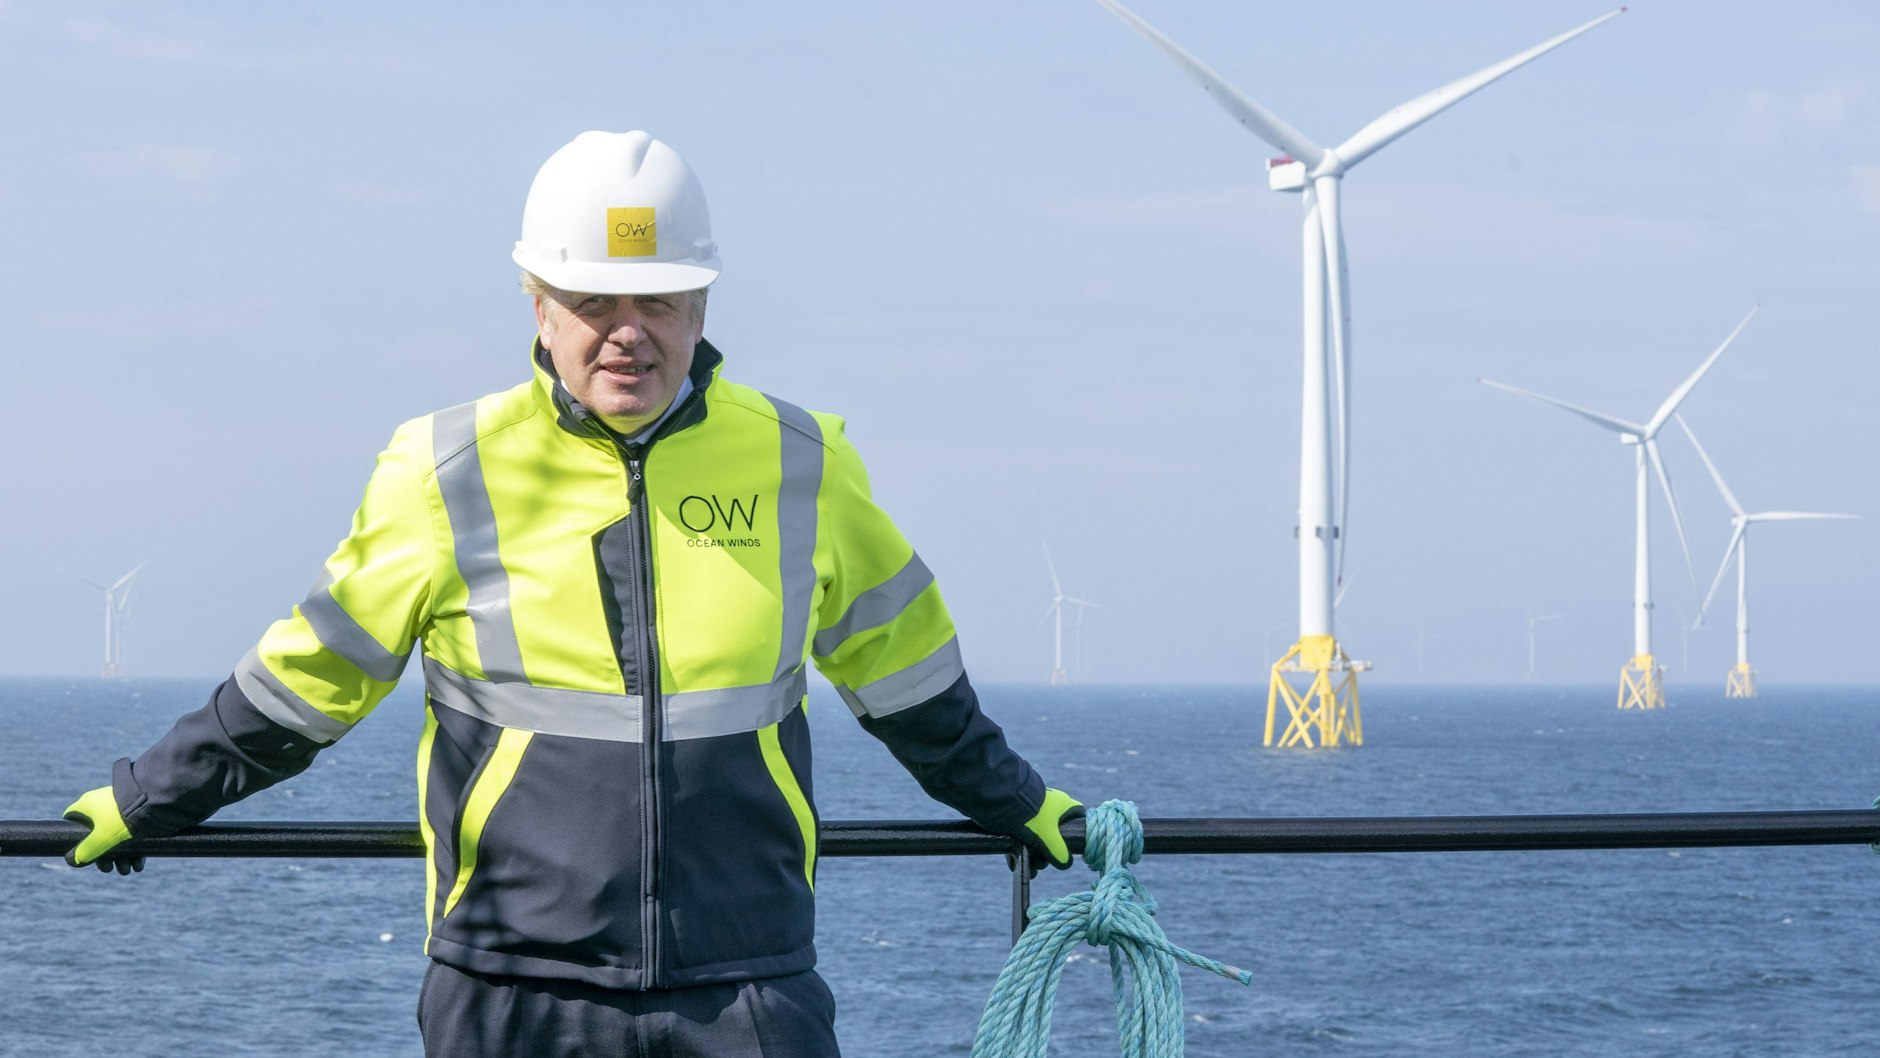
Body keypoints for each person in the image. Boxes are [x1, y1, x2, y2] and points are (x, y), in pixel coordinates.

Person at [61, 130, 1085, 1057]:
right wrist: (154, 795)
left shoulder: (800, 459)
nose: (625, 332)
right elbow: (314, 673)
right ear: (537, 303)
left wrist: (1016, 800)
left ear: (702, 304)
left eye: (657, 300)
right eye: (593, 302)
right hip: (511, 987)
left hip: (746, 985)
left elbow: (907, 672)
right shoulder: (447, 465)